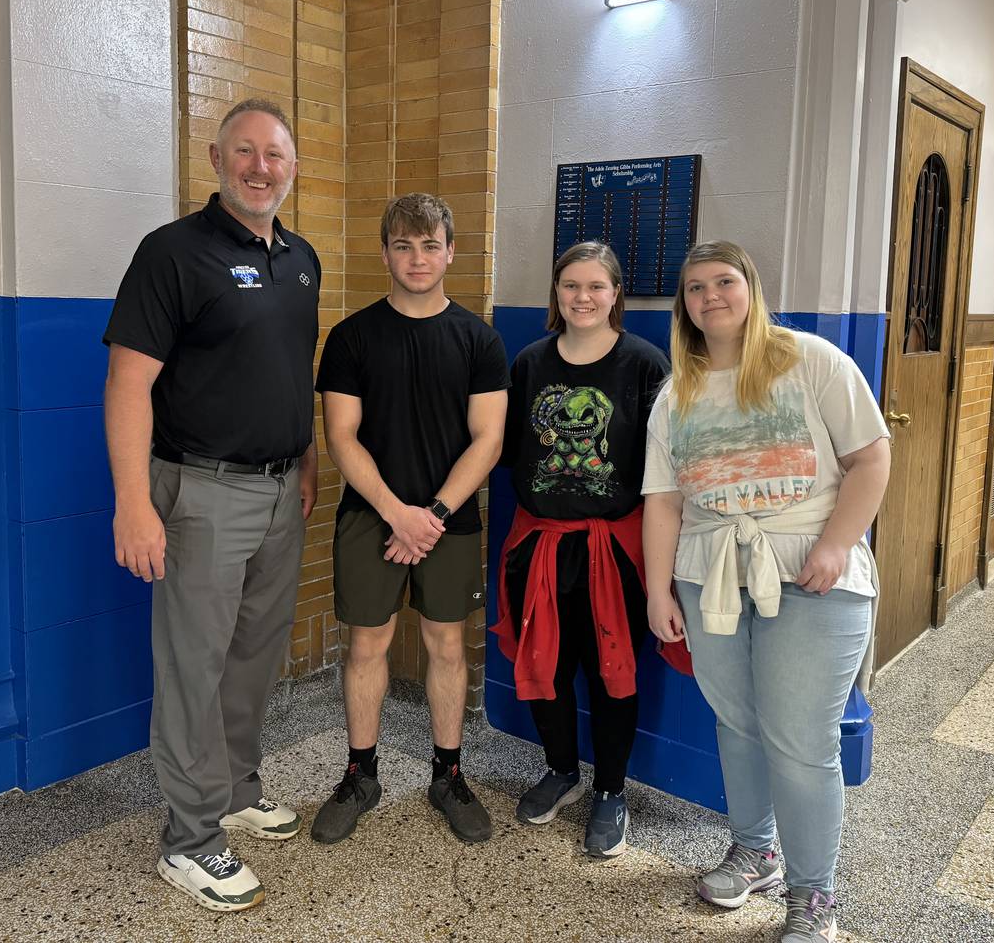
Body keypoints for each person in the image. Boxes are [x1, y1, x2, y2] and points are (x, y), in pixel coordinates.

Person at [103, 99, 320, 912]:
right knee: (193, 665)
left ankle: (233, 789)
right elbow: (128, 383)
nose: (261, 167)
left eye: (275, 155)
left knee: (252, 656)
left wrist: (302, 457)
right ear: (216, 157)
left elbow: (286, 369)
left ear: (292, 167)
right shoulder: (172, 254)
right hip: (199, 492)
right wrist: (134, 502)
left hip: (278, 491)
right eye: (245, 152)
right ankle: (189, 840)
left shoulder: (301, 258)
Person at [641, 241, 890, 942]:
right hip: (709, 569)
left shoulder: (809, 361)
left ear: (751, 288)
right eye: (695, 287)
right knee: (737, 721)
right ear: (684, 305)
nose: (710, 296)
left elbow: (870, 457)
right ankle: (757, 851)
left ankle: (816, 897)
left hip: (812, 568)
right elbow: (662, 501)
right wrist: (657, 590)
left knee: (802, 738)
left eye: (724, 282)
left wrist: (838, 542)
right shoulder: (677, 390)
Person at [311, 192, 508, 845]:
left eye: (430, 245)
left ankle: (448, 775)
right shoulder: (351, 337)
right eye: (403, 245)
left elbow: (488, 439)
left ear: (451, 251)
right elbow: (343, 436)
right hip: (371, 517)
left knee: (447, 644)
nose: (417, 258)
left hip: (449, 520)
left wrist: (436, 514)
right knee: (366, 644)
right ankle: (361, 774)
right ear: (386, 252)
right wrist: (399, 514)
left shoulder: (479, 340)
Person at [491, 242, 669, 858]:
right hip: (538, 543)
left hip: (615, 549)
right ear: (556, 293)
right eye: (571, 285)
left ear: (616, 293)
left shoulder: (645, 365)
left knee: (611, 671)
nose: (583, 297)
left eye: (596, 286)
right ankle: (562, 769)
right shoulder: (531, 363)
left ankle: (612, 791)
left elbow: (663, 471)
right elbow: (508, 448)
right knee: (546, 667)